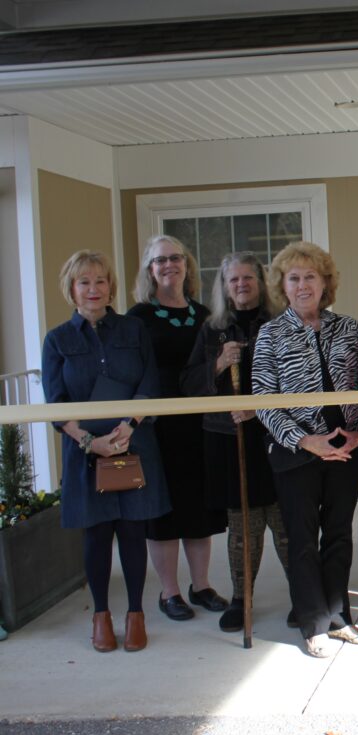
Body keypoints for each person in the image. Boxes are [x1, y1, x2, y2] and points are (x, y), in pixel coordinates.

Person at [42, 250, 170, 652]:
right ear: (71, 289)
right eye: (84, 282)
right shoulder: (58, 340)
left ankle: (135, 614)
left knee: (133, 532)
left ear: (110, 286)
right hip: (85, 456)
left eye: (100, 281)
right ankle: (101, 616)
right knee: (96, 536)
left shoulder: (133, 330)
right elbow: (55, 403)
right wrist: (88, 442)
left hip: (133, 446)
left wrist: (128, 427)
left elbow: (150, 382)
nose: (93, 289)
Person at [252, 241, 358, 658]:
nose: (303, 285)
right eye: (294, 278)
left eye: (311, 277)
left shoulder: (350, 329)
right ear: (282, 286)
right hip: (295, 449)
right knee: (302, 538)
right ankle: (313, 622)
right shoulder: (270, 334)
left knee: (339, 533)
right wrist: (306, 441)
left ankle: (339, 616)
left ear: (326, 283)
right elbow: (263, 399)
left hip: (347, 446)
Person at [180, 251, 291, 632]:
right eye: (233, 280)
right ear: (224, 287)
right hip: (226, 440)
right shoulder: (212, 329)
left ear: (261, 282)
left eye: (248, 278)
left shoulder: (279, 323)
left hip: (276, 437)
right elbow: (189, 384)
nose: (241, 285)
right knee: (242, 524)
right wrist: (218, 365)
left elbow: (295, 384)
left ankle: (302, 593)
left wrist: (259, 412)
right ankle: (242, 598)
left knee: (284, 518)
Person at [127, 236, 228, 622]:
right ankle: (169, 592)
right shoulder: (137, 317)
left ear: (187, 265)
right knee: (165, 511)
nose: (169, 265)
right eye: (160, 260)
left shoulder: (205, 314)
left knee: (198, 508)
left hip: (200, 425)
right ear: (149, 271)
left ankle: (200, 585)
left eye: (176, 258)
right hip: (157, 427)